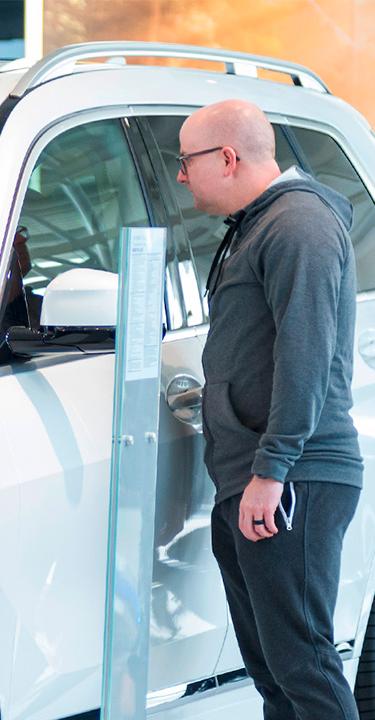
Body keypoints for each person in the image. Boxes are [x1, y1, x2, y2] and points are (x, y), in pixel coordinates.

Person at [177, 99, 363, 719]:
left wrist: (273, 469)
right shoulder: (259, 226)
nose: (181, 175)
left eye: (186, 161)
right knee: (276, 677)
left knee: (302, 666)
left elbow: (305, 353)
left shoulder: (297, 224)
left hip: (294, 475)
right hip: (258, 473)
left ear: (226, 158)